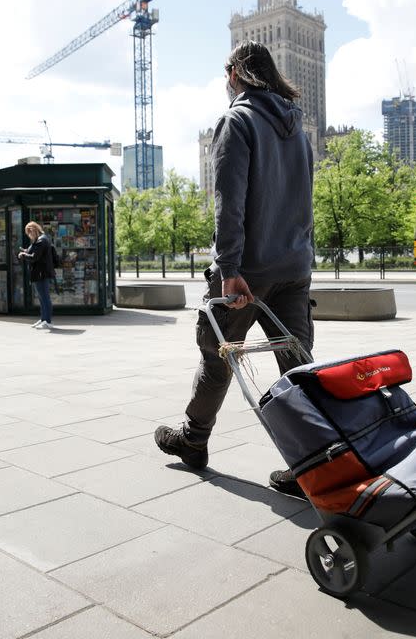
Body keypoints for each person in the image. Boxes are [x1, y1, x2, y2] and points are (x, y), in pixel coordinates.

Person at [155, 40, 314, 497]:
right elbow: (303, 203)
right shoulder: (297, 128)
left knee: (217, 354)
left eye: (228, 75)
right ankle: (313, 464)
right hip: (294, 267)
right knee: (297, 367)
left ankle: (193, 440)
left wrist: (228, 267)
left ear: (236, 74)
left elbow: (229, 203)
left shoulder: (237, 120)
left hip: (248, 271)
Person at [18, 221, 55, 329]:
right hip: (40, 273)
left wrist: (23, 255)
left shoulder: (41, 241)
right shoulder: (41, 240)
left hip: (41, 273)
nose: (29, 236)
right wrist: (26, 250)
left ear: (33, 230)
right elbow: (36, 252)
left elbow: (34, 257)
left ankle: (47, 321)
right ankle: (43, 319)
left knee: (44, 298)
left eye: (29, 233)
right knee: (42, 298)